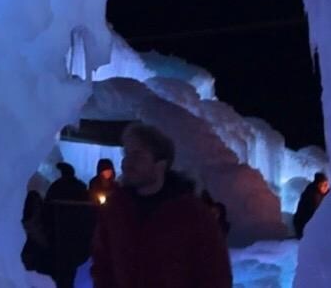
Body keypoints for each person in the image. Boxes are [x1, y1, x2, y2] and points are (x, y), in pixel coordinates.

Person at [89, 123, 231, 288]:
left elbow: (215, 275)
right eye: (127, 154)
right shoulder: (115, 210)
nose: (127, 163)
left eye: (138, 156)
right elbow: (102, 266)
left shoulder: (193, 215)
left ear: (160, 164)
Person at [42, 162, 95, 287]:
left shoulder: (56, 187)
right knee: (71, 270)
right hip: (77, 239)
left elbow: (47, 210)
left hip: (59, 237)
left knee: (62, 272)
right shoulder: (80, 188)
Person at [292, 172, 329, 237]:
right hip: (303, 226)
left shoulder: (317, 190)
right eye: (325, 185)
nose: (327, 187)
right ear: (319, 184)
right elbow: (315, 213)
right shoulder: (312, 194)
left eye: (327, 185)